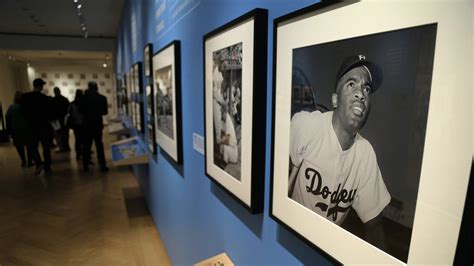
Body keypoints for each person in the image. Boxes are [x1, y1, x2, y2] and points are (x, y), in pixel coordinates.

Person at [288, 55, 391, 230]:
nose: (360, 93)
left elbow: (374, 222)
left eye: (366, 89)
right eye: (351, 84)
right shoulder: (307, 125)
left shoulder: (365, 154)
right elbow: (276, 179)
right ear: (335, 100)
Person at [21, 78, 53, 174]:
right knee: (46, 147)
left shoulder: (26, 97)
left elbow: (22, 112)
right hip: (44, 126)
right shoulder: (44, 98)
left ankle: (38, 163)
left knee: (32, 146)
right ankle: (47, 166)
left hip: (31, 126)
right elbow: (49, 113)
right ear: (41, 86)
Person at [79, 81, 109, 172]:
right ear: (97, 87)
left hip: (86, 125)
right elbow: (105, 112)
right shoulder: (102, 98)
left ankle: (85, 166)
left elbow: (80, 111)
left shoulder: (83, 98)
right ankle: (102, 165)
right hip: (97, 124)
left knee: (86, 146)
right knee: (99, 145)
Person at [5, 91, 34, 167]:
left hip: (16, 130)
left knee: (19, 146)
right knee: (29, 146)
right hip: (26, 129)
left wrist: (9, 131)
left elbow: (7, 118)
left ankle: (23, 160)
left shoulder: (11, 107)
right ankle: (30, 162)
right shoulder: (26, 106)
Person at [52, 87, 70, 152]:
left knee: (58, 134)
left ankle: (61, 147)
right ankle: (66, 146)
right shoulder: (65, 99)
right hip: (64, 119)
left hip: (55, 120)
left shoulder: (52, 100)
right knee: (65, 133)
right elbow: (68, 110)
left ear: (54, 92)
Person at [68, 89, 84, 160]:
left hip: (75, 124)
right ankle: (85, 153)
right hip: (83, 124)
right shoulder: (84, 103)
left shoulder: (72, 104)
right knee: (84, 140)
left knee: (77, 139)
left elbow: (69, 113)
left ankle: (78, 153)